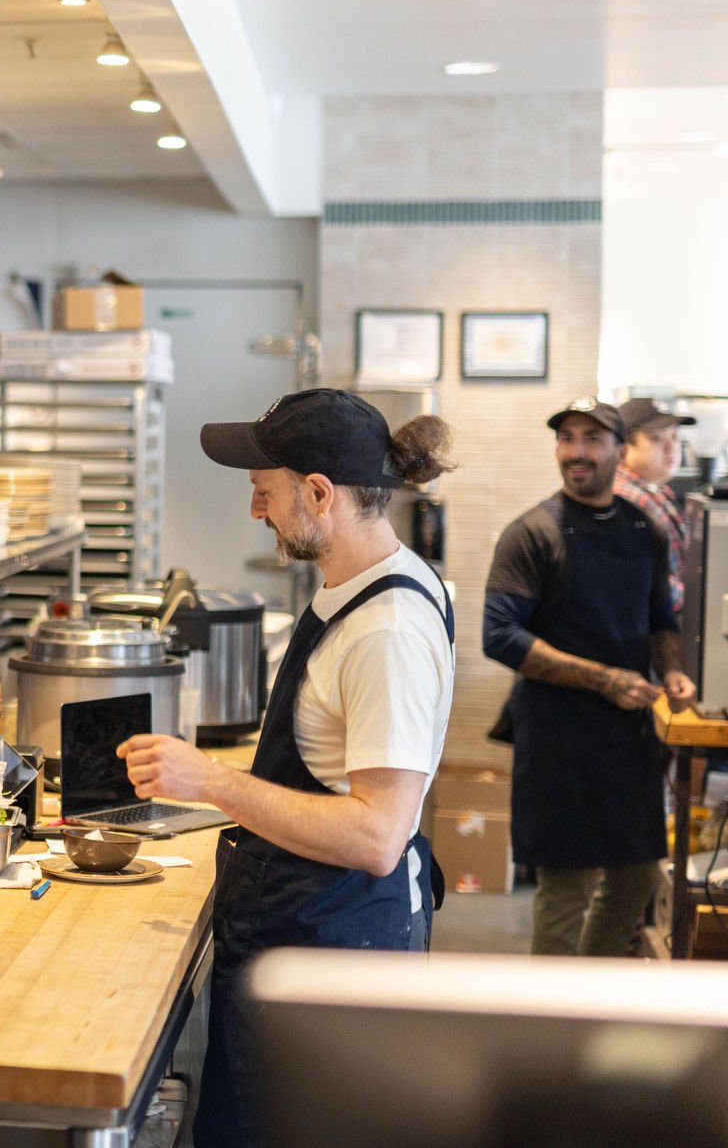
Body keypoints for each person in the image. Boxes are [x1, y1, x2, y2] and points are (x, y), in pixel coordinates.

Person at [116, 389, 458, 1148]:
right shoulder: (358, 586)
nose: (254, 512)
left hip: (335, 949)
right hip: (303, 925)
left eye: (261, 492)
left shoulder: (386, 631)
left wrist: (210, 781)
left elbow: (377, 833)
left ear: (318, 494)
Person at [482, 396, 696, 958]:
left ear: (619, 451)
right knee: (566, 890)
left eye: (592, 439)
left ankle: (590, 994)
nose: (577, 452)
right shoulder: (531, 532)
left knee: (637, 877)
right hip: (557, 737)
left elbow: (660, 621)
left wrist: (672, 670)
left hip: (628, 738)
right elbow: (500, 635)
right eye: (567, 438)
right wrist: (606, 679)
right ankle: (549, 1028)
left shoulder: (641, 529)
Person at [614, 396, 696, 614]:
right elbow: (642, 578)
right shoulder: (623, 498)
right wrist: (701, 598)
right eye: (656, 439)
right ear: (623, 447)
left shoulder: (654, 489)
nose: (671, 448)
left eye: (675, 436)